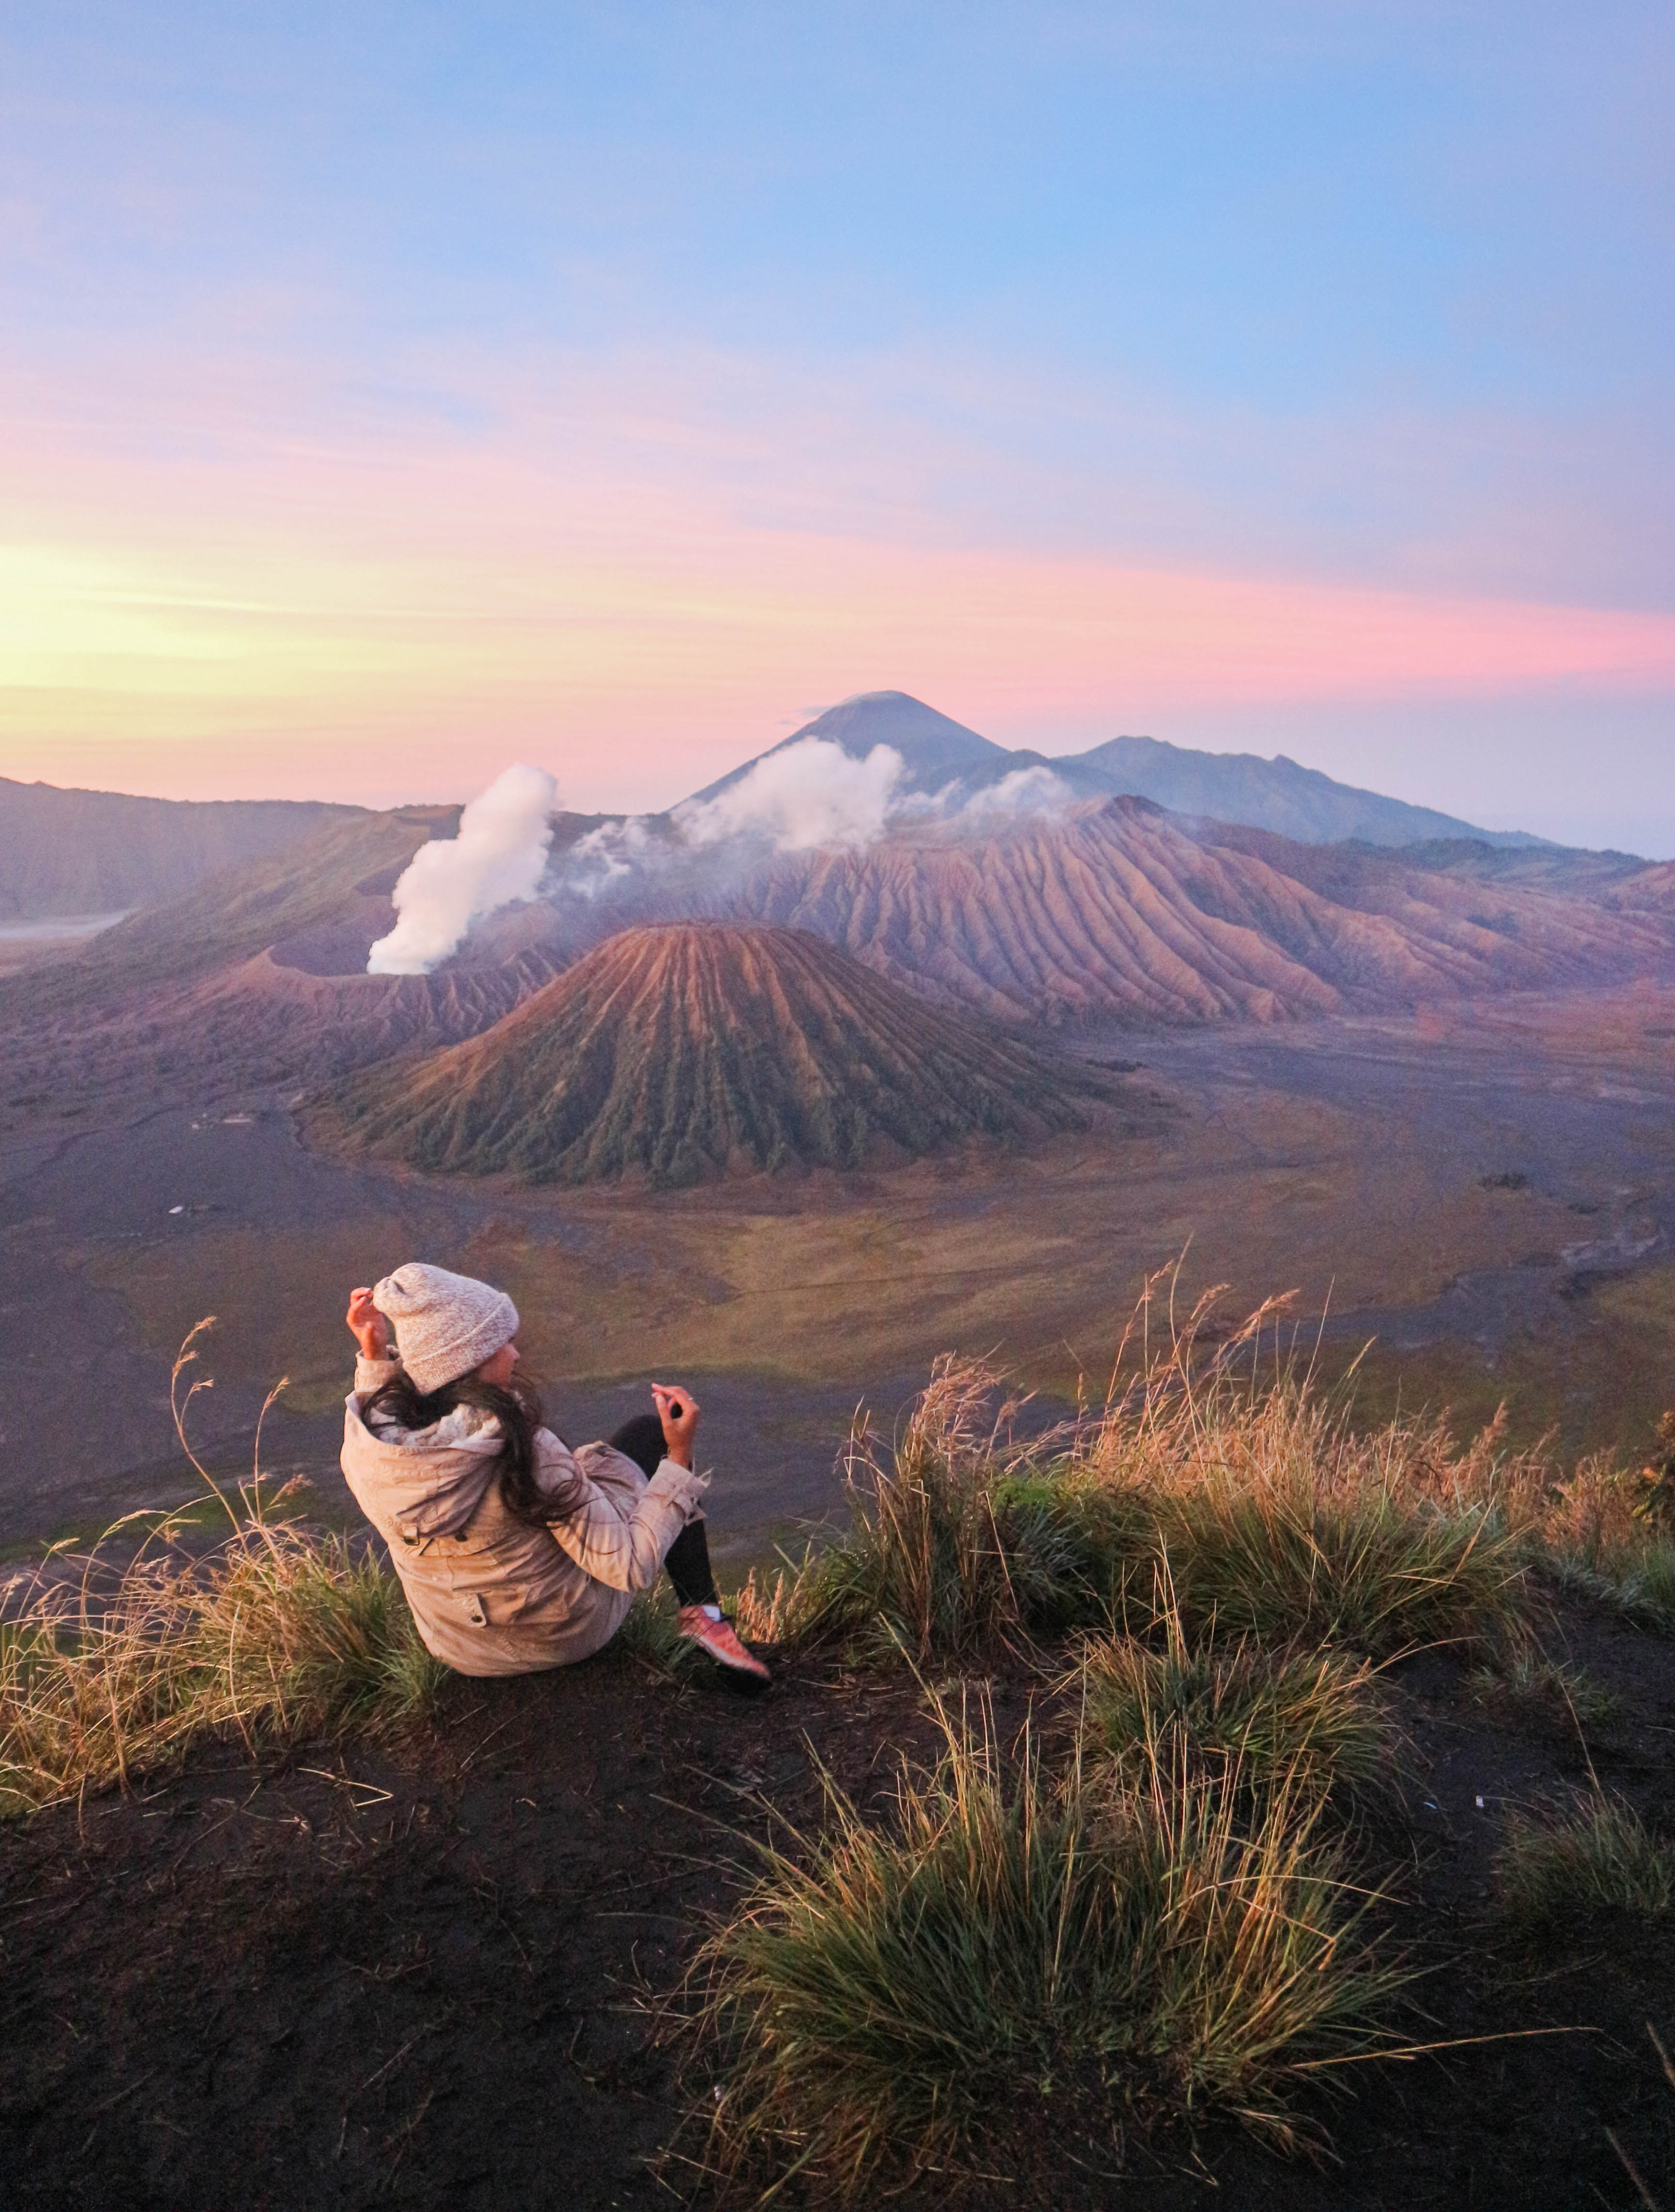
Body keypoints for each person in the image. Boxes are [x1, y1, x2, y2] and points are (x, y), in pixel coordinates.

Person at [339, 1260, 770, 1683]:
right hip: (563, 1635)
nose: (515, 1351)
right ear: (471, 1363)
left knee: (566, 1484)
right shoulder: (525, 1451)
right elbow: (631, 1566)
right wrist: (679, 1457)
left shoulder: (372, 1453)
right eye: (501, 1342)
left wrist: (377, 1353)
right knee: (647, 1437)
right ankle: (706, 1618)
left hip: (460, 1647)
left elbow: (386, 1413)